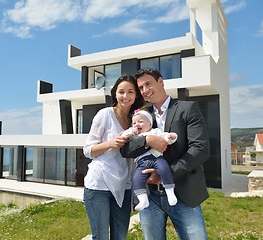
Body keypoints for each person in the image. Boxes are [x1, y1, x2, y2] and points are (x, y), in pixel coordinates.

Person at [120, 67, 210, 240]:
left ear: (160, 82)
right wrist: (146, 141)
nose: (145, 90)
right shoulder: (142, 115)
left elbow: (200, 149)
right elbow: (126, 149)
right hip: (150, 196)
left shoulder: (187, 108)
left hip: (183, 192)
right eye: (141, 88)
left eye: (148, 84)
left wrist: (164, 174)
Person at [83, 74, 144, 240]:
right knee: (101, 237)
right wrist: (111, 143)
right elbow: (87, 150)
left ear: (136, 95)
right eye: (121, 91)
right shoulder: (105, 114)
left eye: (130, 92)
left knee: (120, 237)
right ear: (115, 94)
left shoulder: (135, 120)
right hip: (99, 186)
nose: (125, 96)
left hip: (123, 187)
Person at [121, 108, 178, 211]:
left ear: (150, 124)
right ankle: (143, 199)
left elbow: (164, 138)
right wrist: (132, 130)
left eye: (140, 122)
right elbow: (124, 136)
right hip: (142, 162)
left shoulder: (155, 131)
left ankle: (170, 191)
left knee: (164, 169)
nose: (137, 124)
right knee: (136, 178)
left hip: (156, 158)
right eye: (134, 123)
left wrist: (170, 137)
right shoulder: (134, 136)